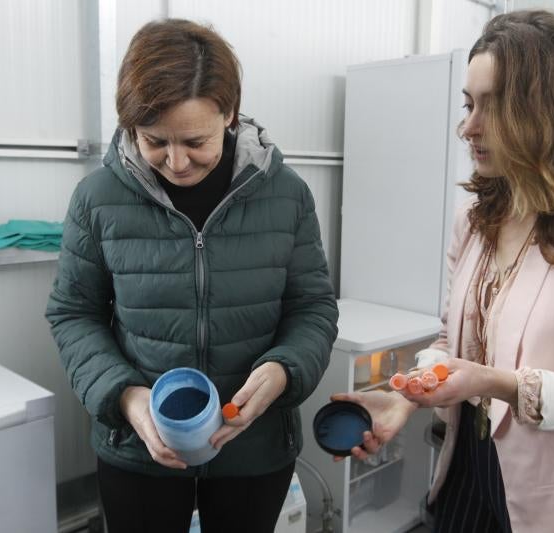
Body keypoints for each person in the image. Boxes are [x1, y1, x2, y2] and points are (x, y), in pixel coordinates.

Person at [333, 10, 554, 533]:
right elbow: (450, 340)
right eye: (468, 104)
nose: (468, 126)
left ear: (552, 112)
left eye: (495, 106)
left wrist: (497, 383)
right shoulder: (477, 217)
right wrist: (406, 397)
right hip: (464, 470)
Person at [45, 19, 338, 533]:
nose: (176, 162)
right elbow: (73, 314)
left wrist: (285, 371)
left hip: (253, 446)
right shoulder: (96, 199)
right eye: (154, 141)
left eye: (196, 141)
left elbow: (312, 308)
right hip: (138, 446)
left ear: (228, 112)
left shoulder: (286, 195)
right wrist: (124, 397)